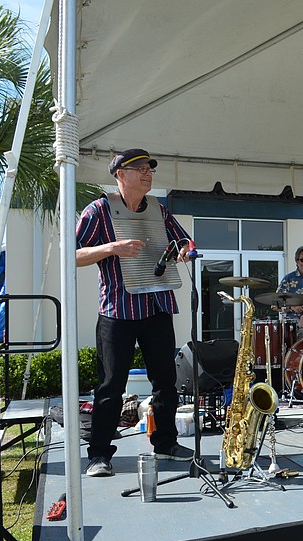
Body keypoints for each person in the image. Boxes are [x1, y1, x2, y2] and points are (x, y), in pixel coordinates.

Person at [76, 148, 194, 477]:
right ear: (120, 175)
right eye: (139, 169)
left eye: (150, 169)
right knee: (111, 385)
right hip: (117, 310)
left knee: (166, 382)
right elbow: (74, 254)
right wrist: (113, 247)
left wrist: (184, 250)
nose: (147, 173)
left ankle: (166, 444)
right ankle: (99, 454)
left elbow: (186, 242)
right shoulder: (99, 210)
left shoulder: (159, 210)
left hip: (156, 307)